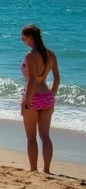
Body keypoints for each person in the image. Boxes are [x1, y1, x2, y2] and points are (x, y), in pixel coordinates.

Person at [20, 24, 61, 174]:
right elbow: (57, 79)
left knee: (31, 137)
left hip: (33, 98)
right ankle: (47, 170)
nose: (22, 40)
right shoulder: (51, 54)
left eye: (23, 37)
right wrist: (52, 94)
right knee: (45, 136)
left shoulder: (30, 56)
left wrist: (27, 101)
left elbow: (31, 81)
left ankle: (33, 170)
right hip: (47, 97)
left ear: (30, 37)